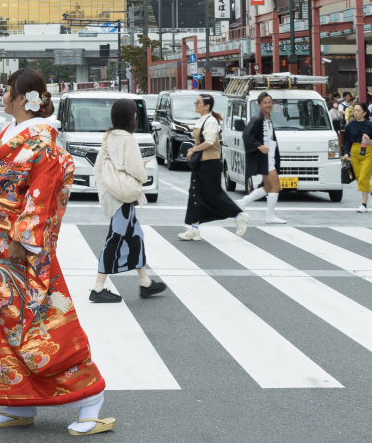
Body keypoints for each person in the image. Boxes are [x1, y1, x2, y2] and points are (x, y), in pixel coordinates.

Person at [0, 68, 113, 436]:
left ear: (22, 98)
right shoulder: (16, 134)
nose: (2, 96)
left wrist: (23, 238)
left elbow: (42, 192)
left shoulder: (41, 141)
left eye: (7, 91)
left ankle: (90, 399)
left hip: (18, 248)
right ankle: (20, 402)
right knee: (0, 324)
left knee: (43, 322)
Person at [90, 98, 167, 302]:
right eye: (134, 113)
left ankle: (145, 283)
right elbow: (135, 170)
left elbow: (101, 166)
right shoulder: (128, 139)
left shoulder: (109, 136)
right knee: (114, 239)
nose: (135, 116)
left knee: (135, 237)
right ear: (129, 117)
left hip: (113, 194)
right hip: (121, 199)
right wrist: (141, 172)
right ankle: (98, 289)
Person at [178, 95, 247, 241]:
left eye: (198, 102)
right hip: (202, 163)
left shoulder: (211, 121)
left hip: (210, 163)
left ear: (207, 106)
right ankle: (194, 229)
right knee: (195, 193)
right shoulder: (202, 119)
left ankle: (239, 216)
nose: (195, 104)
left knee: (213, 195)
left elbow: (209, 142)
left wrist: (193, 150)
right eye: (195, 102)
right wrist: (195, 149)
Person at [238, 91, 286, 225]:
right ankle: (270, 216)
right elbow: (247, 136)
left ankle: (243, 202)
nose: (268, 105)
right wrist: (259, 146)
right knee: (276, 185)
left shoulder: (268, 119)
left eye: (270, 102)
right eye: (265, 102)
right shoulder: (257, 119)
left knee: (268, 186)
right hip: (265, 157)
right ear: (259, 105)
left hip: (269, 156)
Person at [342, 102, 372, 212]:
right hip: (355, 152)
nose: (355, 112)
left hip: (369, 152)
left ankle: (364, 205)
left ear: (364, 113)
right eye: (354, 110)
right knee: (359, 178)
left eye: (358, 110)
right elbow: (346, 141)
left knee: (364, 177)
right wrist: (346, 152)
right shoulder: (349, 125)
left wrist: (369, 141)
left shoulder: (370, 125)